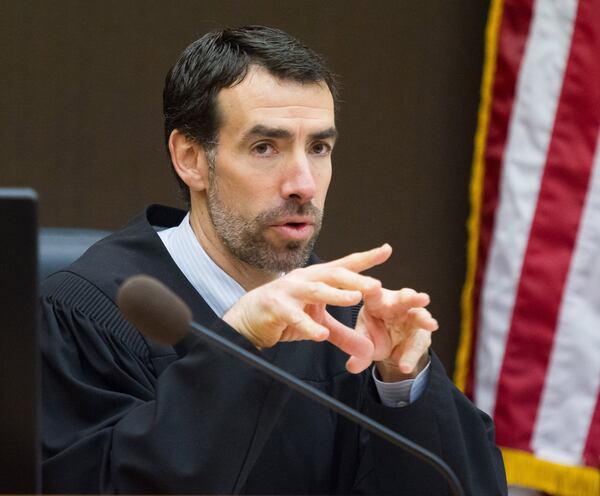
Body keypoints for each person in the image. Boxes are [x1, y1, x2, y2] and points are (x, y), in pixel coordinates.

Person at [40, 26, 507, 494]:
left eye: (319, 148)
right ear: (191, 159)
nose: (303, 183)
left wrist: (405, 383)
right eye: (266, 148)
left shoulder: (346, 321)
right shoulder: (87, 316)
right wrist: (238, 342)